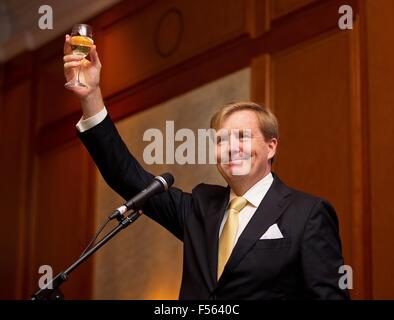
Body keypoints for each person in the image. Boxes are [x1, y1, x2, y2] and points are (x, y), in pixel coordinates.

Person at [63, 34, 350, 299]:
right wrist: (90, 96)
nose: (231, 148)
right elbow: (127, 176)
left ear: (271, 146)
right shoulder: (201, 207)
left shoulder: (308, 213)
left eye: (243, 136)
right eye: (222, 140)